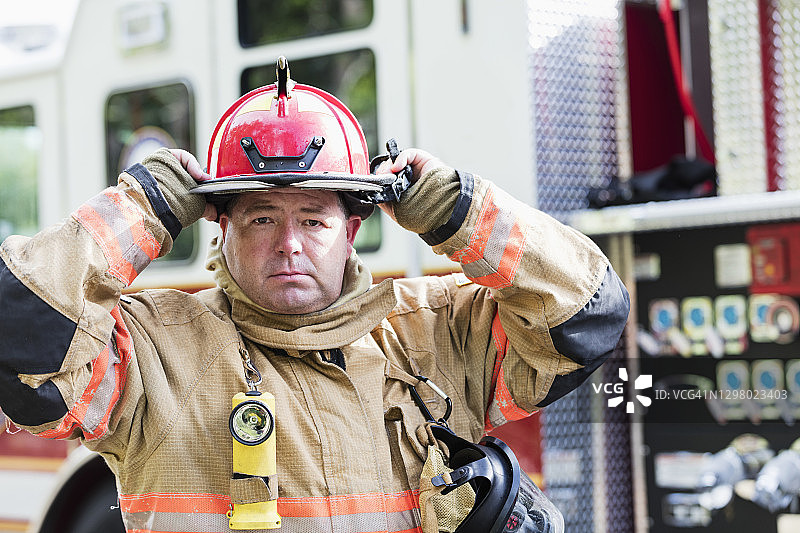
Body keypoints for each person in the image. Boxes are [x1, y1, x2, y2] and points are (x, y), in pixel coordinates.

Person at [0, 58, 629, 533]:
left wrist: (457, 209)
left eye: (313, 219)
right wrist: (143, 208)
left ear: (351, 230)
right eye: (262, 218)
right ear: (221, 227)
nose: (289, 244)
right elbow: (17, 335)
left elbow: (587, 313)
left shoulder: (435, 332)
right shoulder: (150, 353)